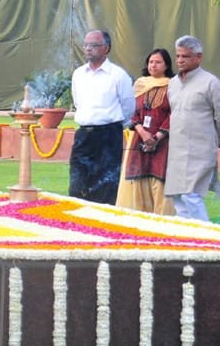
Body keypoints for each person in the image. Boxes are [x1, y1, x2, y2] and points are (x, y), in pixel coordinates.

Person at [164, 35, 220, 221]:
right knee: (177, 196)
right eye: (178, 56)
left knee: (191, 194)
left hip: (201, 147)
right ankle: (187, 241)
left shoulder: (211, 83)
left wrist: (212, 135)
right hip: (177, 147)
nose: (179, 60)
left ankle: (206, 238)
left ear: (199, 57)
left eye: (185, 56)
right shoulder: (173, 83)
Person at [68, 29, 135, 204]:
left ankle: (103, 222)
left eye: (94, 45)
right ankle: (77, 222)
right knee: (78, 182)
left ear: (106, 48)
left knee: (106, 184)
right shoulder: (78, 74)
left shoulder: (118, 75)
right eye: (86, 45)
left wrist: (115, 125)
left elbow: (128, 106)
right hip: (84, 134)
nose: (88, 49)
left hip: (108, 134)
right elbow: (78, 102)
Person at [115, 48, 175, 214]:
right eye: (150, 62)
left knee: (160, 177)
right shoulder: (139, 84)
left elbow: (174, 113)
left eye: (158, 62)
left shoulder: (173, 86)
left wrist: (157, 136)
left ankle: (163, 220)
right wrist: (142, 131)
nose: (153, 65)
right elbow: (130, 110)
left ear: (166, 65)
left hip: (164, 141)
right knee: (137, 175)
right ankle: (138, 218)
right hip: (138, 139)